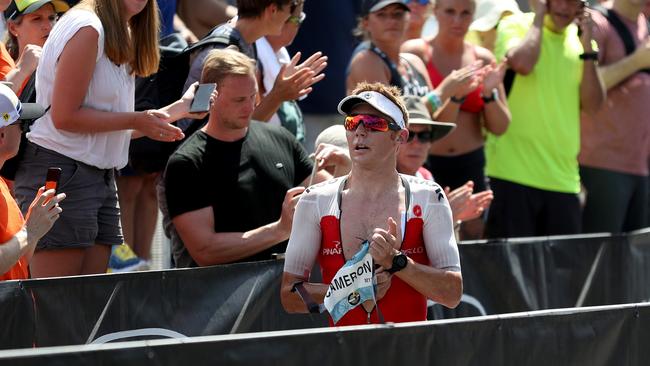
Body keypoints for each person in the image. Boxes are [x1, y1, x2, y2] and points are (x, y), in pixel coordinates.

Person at [13, 0, 207, 278]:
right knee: (56, 306)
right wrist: (137, 120)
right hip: (63, 172)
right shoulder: (87, 28)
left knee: (86, 303)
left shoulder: (120, 29)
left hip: (97, 177)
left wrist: (178, 110)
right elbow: (64, 117)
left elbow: (109, 124)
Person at [280, 82, 462, 326]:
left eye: (375, 123)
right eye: (353, 123)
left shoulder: (428, 196)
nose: (360, 132)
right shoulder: (315, 200)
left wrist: (397, 262)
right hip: (344, 353)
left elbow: (452, 294)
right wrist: (354, 290)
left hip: (410, 352)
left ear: (400, 136)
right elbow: (289, 296)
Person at [162, 48, 330, 268]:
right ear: (211, 96)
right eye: (239, 100)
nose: (250, 106)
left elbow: (331, 196)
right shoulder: (187, 164)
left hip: (286, 289)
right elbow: (206, 250)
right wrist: (279, 230)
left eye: (253, 96)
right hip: (221, 295)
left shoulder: (280, 138)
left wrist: (347, 167)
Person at [485, 0, 605, 238]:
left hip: (563, 181)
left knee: (560, 276)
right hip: (511, 173)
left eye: (572, 2)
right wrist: (538, 16)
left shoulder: (582, 42)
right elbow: (522, 63)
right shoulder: (515, 25)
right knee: (510, 274)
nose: (565, 7)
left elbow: (593, 105)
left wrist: (588, 47)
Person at [401, 0, 511, 239]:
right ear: (435, 11)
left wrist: (488, 94)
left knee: (474, 235)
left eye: (465, 13)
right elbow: (413, 117)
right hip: (424, 160)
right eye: (450, 11)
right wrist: (453, 95)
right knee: (423, 233)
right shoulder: (415, 52)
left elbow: (501, 126)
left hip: (470, 162)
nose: (457, 21)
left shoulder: (482, 57)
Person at [183, 0, 326, 125]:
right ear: (273, 10)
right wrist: (277, 96)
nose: (292, 15)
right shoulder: (224, 51)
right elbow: (213, 130)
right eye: (292, 6)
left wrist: (279, 93)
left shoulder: (246, 41)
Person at [579, 0, 650, 233]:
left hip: (641, 167)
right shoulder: (598, 23)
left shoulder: (645, 26)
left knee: (633, 261)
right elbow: (583, 89)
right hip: (602, 166)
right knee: (599, 257)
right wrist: (636, 62)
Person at [0, 0, 69, 190]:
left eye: (52, 18)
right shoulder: (6, 63)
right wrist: (22, 70)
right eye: (37, 19)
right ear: (13, 27)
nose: (47, 26)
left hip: (37, 183)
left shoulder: (63, 69)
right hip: (9, 185)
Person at [0, 83, 65, 280]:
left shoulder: (2, 183)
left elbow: (16, 263)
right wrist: (29, 232)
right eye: (22, 124)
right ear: (2, 135)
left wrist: (33, 230)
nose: (24, 132)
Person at [255, 1, 310, 141]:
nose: (298, 25)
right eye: (297, 19)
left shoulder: (279, 56)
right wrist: (278, 96)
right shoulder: (249, 59)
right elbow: (244, 128)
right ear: (274, 13)